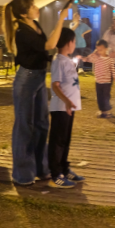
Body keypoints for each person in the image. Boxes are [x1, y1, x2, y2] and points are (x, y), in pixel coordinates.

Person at [5, 0, 72, 186]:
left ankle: (42, 168)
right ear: (25, 13)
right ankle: (23, 174)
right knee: (24, 126)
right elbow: (49, 45)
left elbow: (45, 47)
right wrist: (61, 19)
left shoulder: (34, 25)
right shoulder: (22, 30)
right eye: (33, 6)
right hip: (26, 80)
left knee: (42, 123)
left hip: (39, 77)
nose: (37, 9)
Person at [47, 28, 84, 188]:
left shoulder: (67, 60)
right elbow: (55, 85)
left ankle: (64, 168)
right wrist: (67, 101)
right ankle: (56, 174)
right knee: (58, 141)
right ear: (68, 43)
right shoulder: (58, 61)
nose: (74, 44)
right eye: (74, 41)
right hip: (61, 107)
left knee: (65, 140)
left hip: (69, 107)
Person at [90, 39, 115, 118]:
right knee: (99, 96)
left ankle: (107, 112)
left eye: (101, 50)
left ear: (106, 49)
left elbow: (113, 70)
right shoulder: (97, 58)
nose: (99, 51)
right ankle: (102, 111)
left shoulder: (109, 60)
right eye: (98, 49)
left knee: (106, 96)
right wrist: (94, 53)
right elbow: (89, 59)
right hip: (98, 81)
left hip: (107, 82)